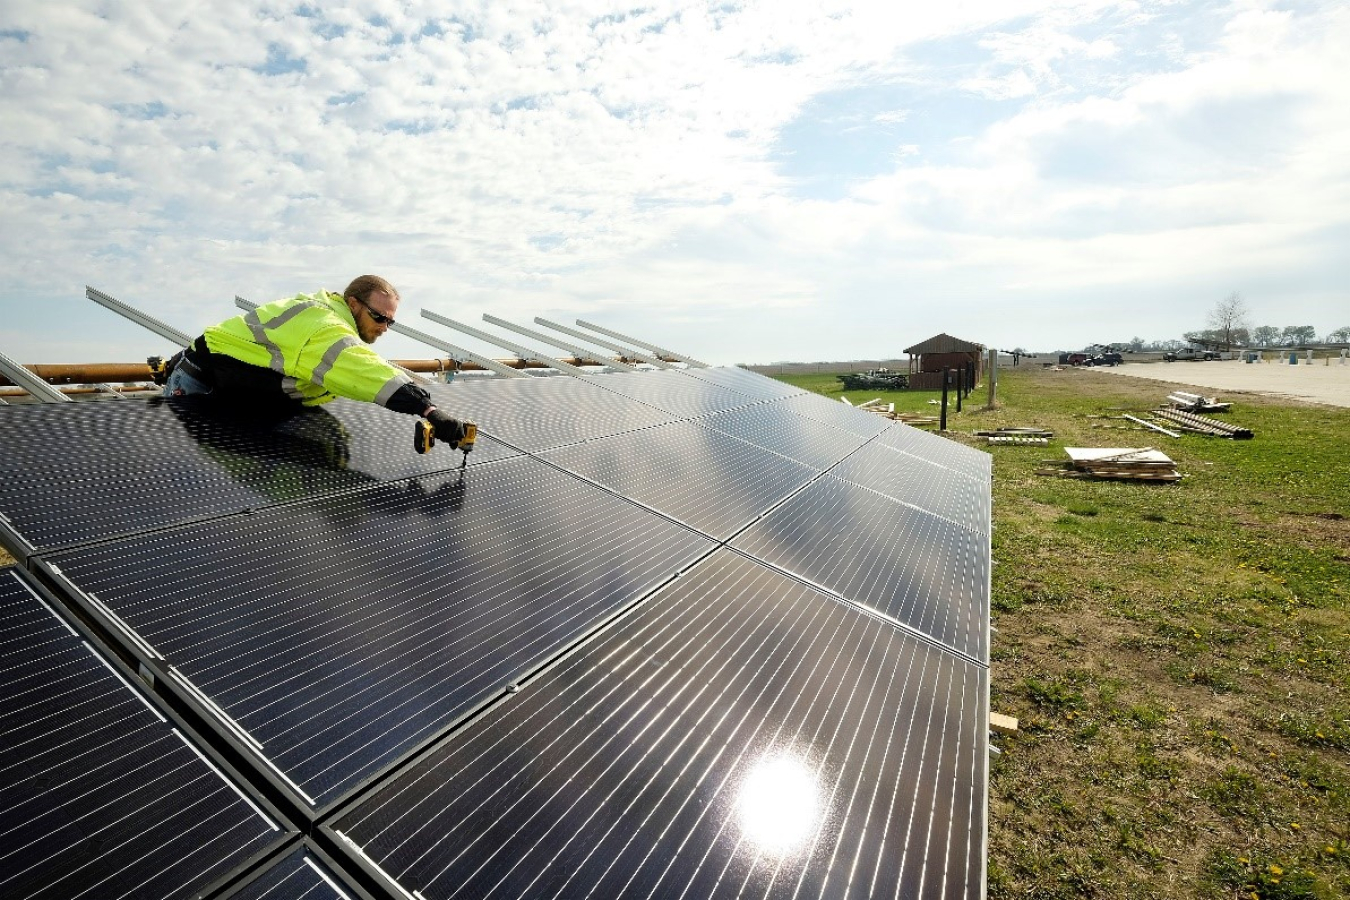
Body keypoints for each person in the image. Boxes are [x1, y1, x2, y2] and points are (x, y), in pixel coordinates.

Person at [163, 275, 467, 443]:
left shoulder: (323, 314)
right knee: (203, 482)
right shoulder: (324, 327)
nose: (384, 328)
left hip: (230, 383)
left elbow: (237, 337)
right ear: (353, 304)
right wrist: (427, 409)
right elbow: (362, 369)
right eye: (379, 317)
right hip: (201, 386)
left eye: (391, 322)